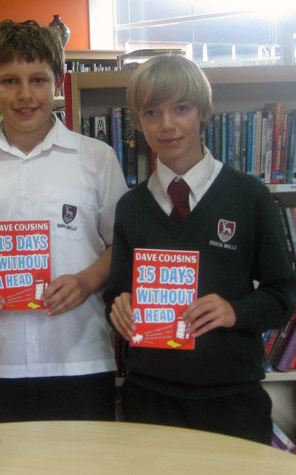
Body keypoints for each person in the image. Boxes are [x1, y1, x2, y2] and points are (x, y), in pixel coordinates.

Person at [0, 20, 127, 422]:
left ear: (58, 80)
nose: (24, 95)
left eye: (38, 80)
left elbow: (120, 245)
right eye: (9, 81)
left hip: (81, 356)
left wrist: (87, 281)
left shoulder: (96, 159)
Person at [103, 54, 296, 444]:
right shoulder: (131, 207)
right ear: (138, 122)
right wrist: (118, 307)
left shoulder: (250, 197)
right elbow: (116, 292)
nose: (167, 124)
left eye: (182, 108)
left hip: (230, 396)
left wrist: (234, 310)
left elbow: (283, 295)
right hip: (149, 397)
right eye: (152, 112)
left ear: (204, 112)